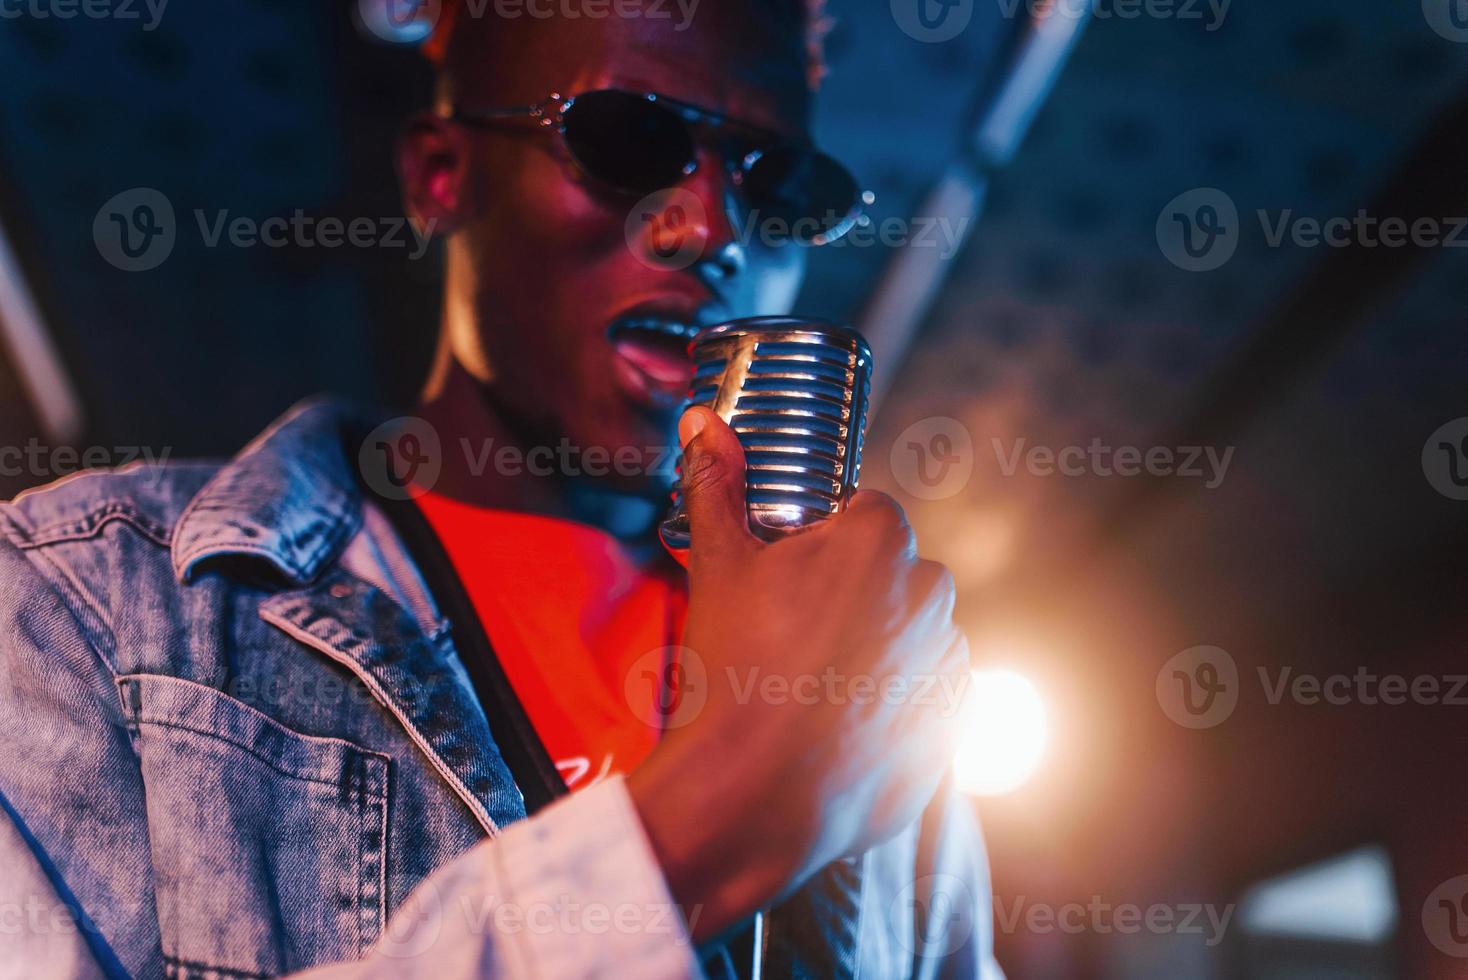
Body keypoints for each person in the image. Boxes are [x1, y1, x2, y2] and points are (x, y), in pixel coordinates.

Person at [0, 1, 1000, 976]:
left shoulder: (863, 668)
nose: (707, 226)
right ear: (442, 175)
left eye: (772, 178)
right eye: (628, 139)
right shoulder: (85, 602)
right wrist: (695, 831)